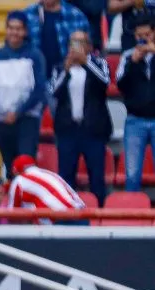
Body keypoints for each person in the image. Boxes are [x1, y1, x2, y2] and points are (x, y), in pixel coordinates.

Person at [50, 30, 112, 206]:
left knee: (97, 178)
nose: (76, 47)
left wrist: (86, 62)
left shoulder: (99, 63)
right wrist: (66, 70)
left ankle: (99, 213)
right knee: (66, 177)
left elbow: (105, 83)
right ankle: (67, 214)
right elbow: (53, 91)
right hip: (68, 130)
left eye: (80, 42)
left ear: (89, 46)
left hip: (93, 130)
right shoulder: (60, 67)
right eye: (73, 43)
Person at [0, 11, 46, 177]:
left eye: (18, 29)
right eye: (11, 28)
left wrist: (18, 112)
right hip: (2, 121)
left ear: (25, 31)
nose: (14, 32)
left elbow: (39, 90)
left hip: (27, 120)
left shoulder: (35, 56)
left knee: (26, 166)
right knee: (9, 167)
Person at [116, 16, 155, 193]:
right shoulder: (127, 56)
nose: (143, 39)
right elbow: (121, 85)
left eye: (147, 35)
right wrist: (133, 62)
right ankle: (132, 208)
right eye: (139, 36)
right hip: (135, 120)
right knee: (132, 174)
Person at [3, 155, 87, 223]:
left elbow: (12, 215)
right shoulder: (51, 174)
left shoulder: (19, 180)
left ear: (15, 171)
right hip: (82, 216)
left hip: (59, 221)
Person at [22, 0, 90, 76]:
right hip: (34, 76)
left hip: (66, 76)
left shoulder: (75, 16)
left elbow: (83, 50)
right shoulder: (28, 14)